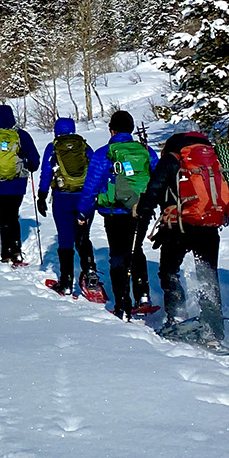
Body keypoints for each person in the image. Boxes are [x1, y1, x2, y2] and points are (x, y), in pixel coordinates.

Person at [137, 129, 229, 351]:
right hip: (209, 225)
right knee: (208, 275)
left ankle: (176, 317)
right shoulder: (212, 158)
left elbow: (154, 188)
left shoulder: (173, 158)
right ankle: (213, 331)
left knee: (169, 270)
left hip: (179, 225)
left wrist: (143, 213)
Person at [76, 109, 158, 319]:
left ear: (112, 130)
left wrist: (83, 212)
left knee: (118, 254)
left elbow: (91, 186)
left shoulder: (104, 153)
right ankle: (143, 296)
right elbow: (157, 179)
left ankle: (122, 303)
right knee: (136, 249)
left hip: (114, 211)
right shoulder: (146, 151)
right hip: (141, 210)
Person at [37, 117, 99, 295]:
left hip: (62, 198)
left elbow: (46, 172)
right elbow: (95, 171)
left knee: (65, 239)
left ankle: (66, 282)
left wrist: (42, 195)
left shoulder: (53, 147)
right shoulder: (84, 147)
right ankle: (90, 272)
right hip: (84, 199)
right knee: (83, 236)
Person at [0, 104, 39, 264]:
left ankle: (6, 253)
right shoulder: (22, 136)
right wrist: (28, 166)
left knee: (4, 218)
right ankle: (16, 251)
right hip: (18, 184)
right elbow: (35, 160)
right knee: (13, 216)